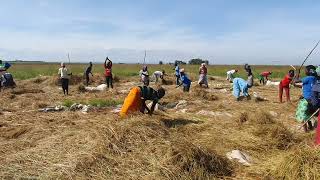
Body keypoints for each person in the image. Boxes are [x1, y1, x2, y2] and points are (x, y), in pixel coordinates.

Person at [295, 65, 317, 132]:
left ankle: (305, 131)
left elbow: (296, 81)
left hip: (306, 99)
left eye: (306, 70)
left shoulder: (308, 78)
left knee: (302, 114)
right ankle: (310, 127)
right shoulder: (315, 78)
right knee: (308, 113)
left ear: (309, 71)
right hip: (313, 99)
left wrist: (297, 74)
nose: (305, 71)